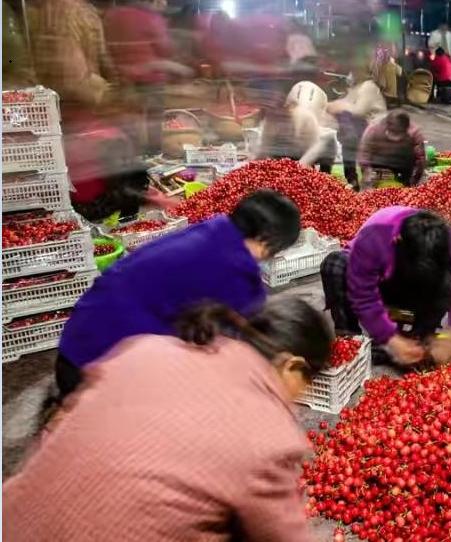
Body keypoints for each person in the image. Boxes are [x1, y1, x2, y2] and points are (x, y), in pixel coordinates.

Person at [4, 299, 333, 542]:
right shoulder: (265, 436)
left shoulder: (146, 350)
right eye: (308, 383)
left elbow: (62, 427)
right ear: (293, 366)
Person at [55, 190, 301, 399]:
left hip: (78, 340)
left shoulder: (211, 229)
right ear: (267, 242)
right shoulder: (237, 270)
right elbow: (246, 339)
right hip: (102, 369)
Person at [320, 207, 451, 366]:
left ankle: (420, 335)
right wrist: (391, 339)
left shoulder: (450, 242)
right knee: (334, 265)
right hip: (384, 287)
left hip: (420, 295)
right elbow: (363, 296)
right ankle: (353, 343)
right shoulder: (375, 237)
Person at [104, 0, 190, 155]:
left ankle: (132, 156)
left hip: (122, 78)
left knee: (129, 122)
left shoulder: (112, 15)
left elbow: (106, 47)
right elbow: (165, 48)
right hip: (151, 79)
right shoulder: (150, 17)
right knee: (153, 121)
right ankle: (153, 154)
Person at [259, 81, 338, 172]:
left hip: (308, 150)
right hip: (288, 155)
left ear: (290, 107)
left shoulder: (307, 119)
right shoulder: (270, 120)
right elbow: (263, 151)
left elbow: (309, 156)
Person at [327, 78, 388, 189]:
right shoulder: (348, 98)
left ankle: (359, 180)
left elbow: (358, 111)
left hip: (366, 134)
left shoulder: (365, 89)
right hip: (356, 136)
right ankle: (354, 180)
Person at [357, 111, 426, 188]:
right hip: (379, 161)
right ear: (387, 126)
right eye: (393, 133)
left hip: (403, 163)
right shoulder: (373, 129)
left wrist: (414, 181)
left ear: (406, 129)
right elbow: (364, 153)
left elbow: (421, 160)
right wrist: (367, 173)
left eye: (398, 134)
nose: (395, 138)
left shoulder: (415, 133)